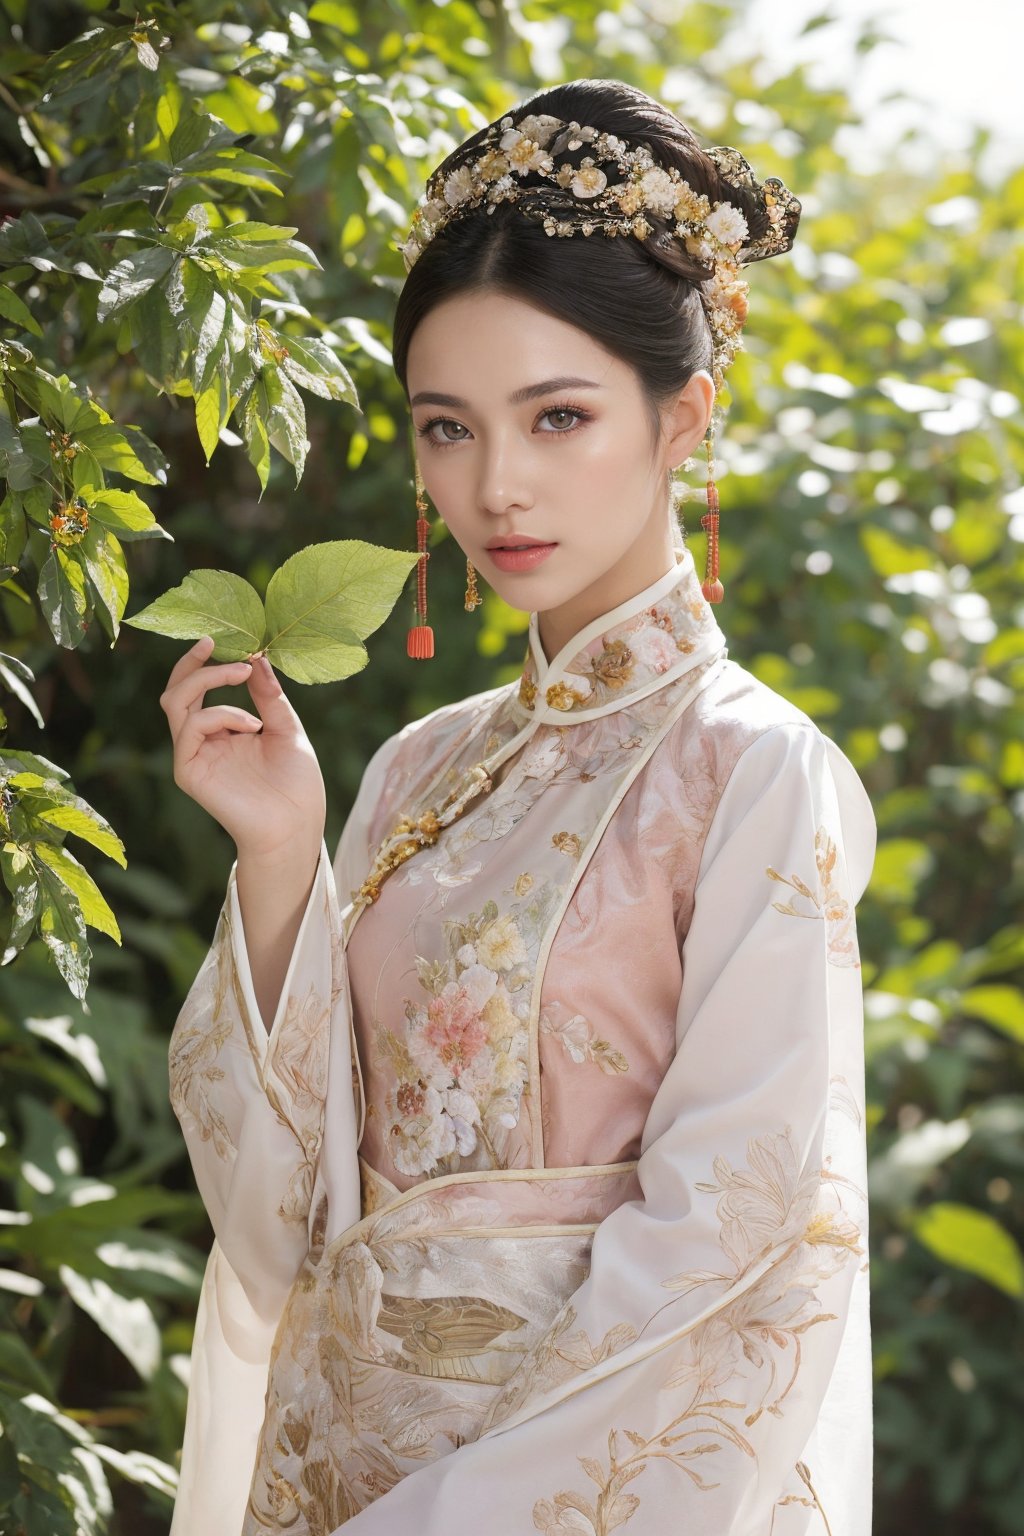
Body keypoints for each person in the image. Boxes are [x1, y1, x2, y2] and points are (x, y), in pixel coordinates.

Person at [162, 78, 876, 1536]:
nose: (498, 487)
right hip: (334, 1469)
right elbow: (284, 1225)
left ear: (685, 419)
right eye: (448, 429)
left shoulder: (754, 772)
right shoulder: (415, 769)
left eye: (558, 416)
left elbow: (740, 1249)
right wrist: (284, 858)